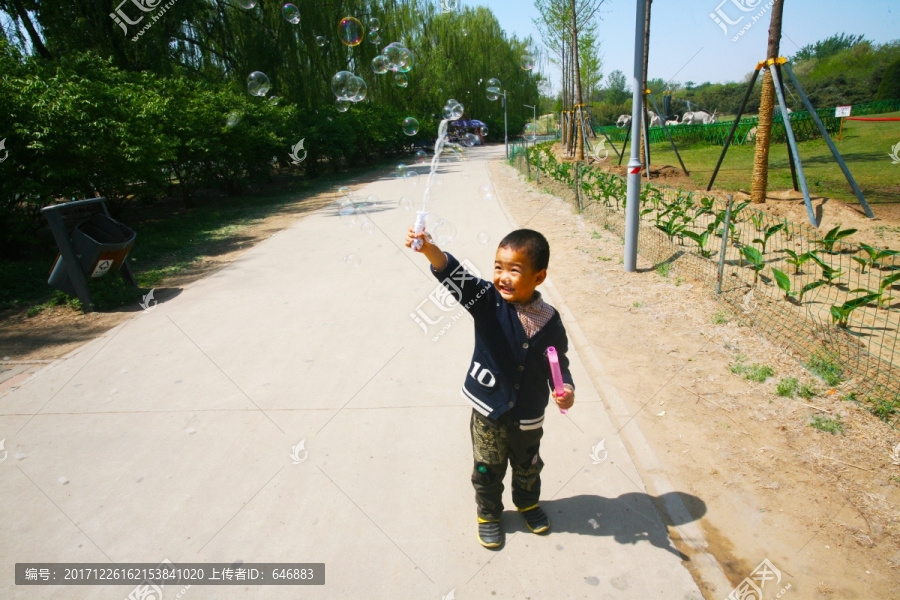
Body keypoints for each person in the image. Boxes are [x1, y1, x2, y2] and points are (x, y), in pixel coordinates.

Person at [405, 227, 575, 549]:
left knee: (529, 466)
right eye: (498, 267)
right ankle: (489, 514)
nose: (503, 277)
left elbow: (558, 361)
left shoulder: (549, 320)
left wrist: (564, 387)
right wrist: (430, 250)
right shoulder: (486, 301)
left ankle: (526, 502)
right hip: (488, 408)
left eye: (514, 269)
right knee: (487, 467)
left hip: (528, 414)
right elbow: (455, 275)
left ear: (539, 277)